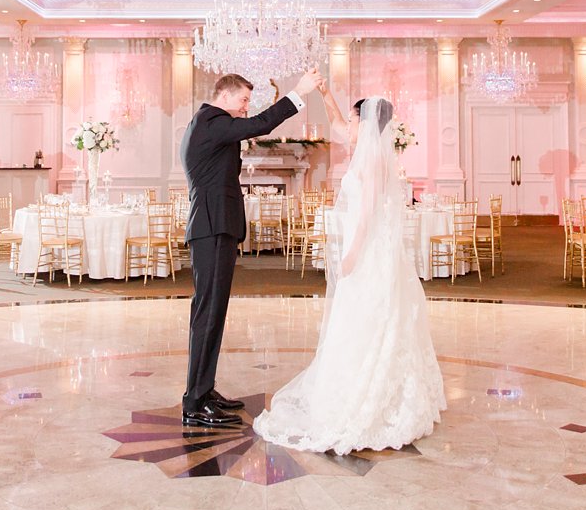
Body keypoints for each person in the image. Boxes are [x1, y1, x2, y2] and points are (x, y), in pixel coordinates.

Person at [252, 89, 446, 454]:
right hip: (379, 250)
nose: (349, 126)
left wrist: (353, 253)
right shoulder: (368, 150)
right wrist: (325, 95)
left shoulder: (371, 160)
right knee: (373, 320)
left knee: (368, 319)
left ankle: (373, 402)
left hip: (371, 250)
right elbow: (338, 124)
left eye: (355, 120)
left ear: (367, 124)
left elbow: (369, 209)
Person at [180, 68, 321, 428]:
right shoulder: (210, 121)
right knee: (207, 315)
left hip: (216, 227)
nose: (245, 109)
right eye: (242, 100)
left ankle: (203, 389)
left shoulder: (210, 124)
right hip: (211, 228)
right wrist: (300, 91)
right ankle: (194, 401)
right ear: (224, 96)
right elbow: (260, 123)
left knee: (213, 314)